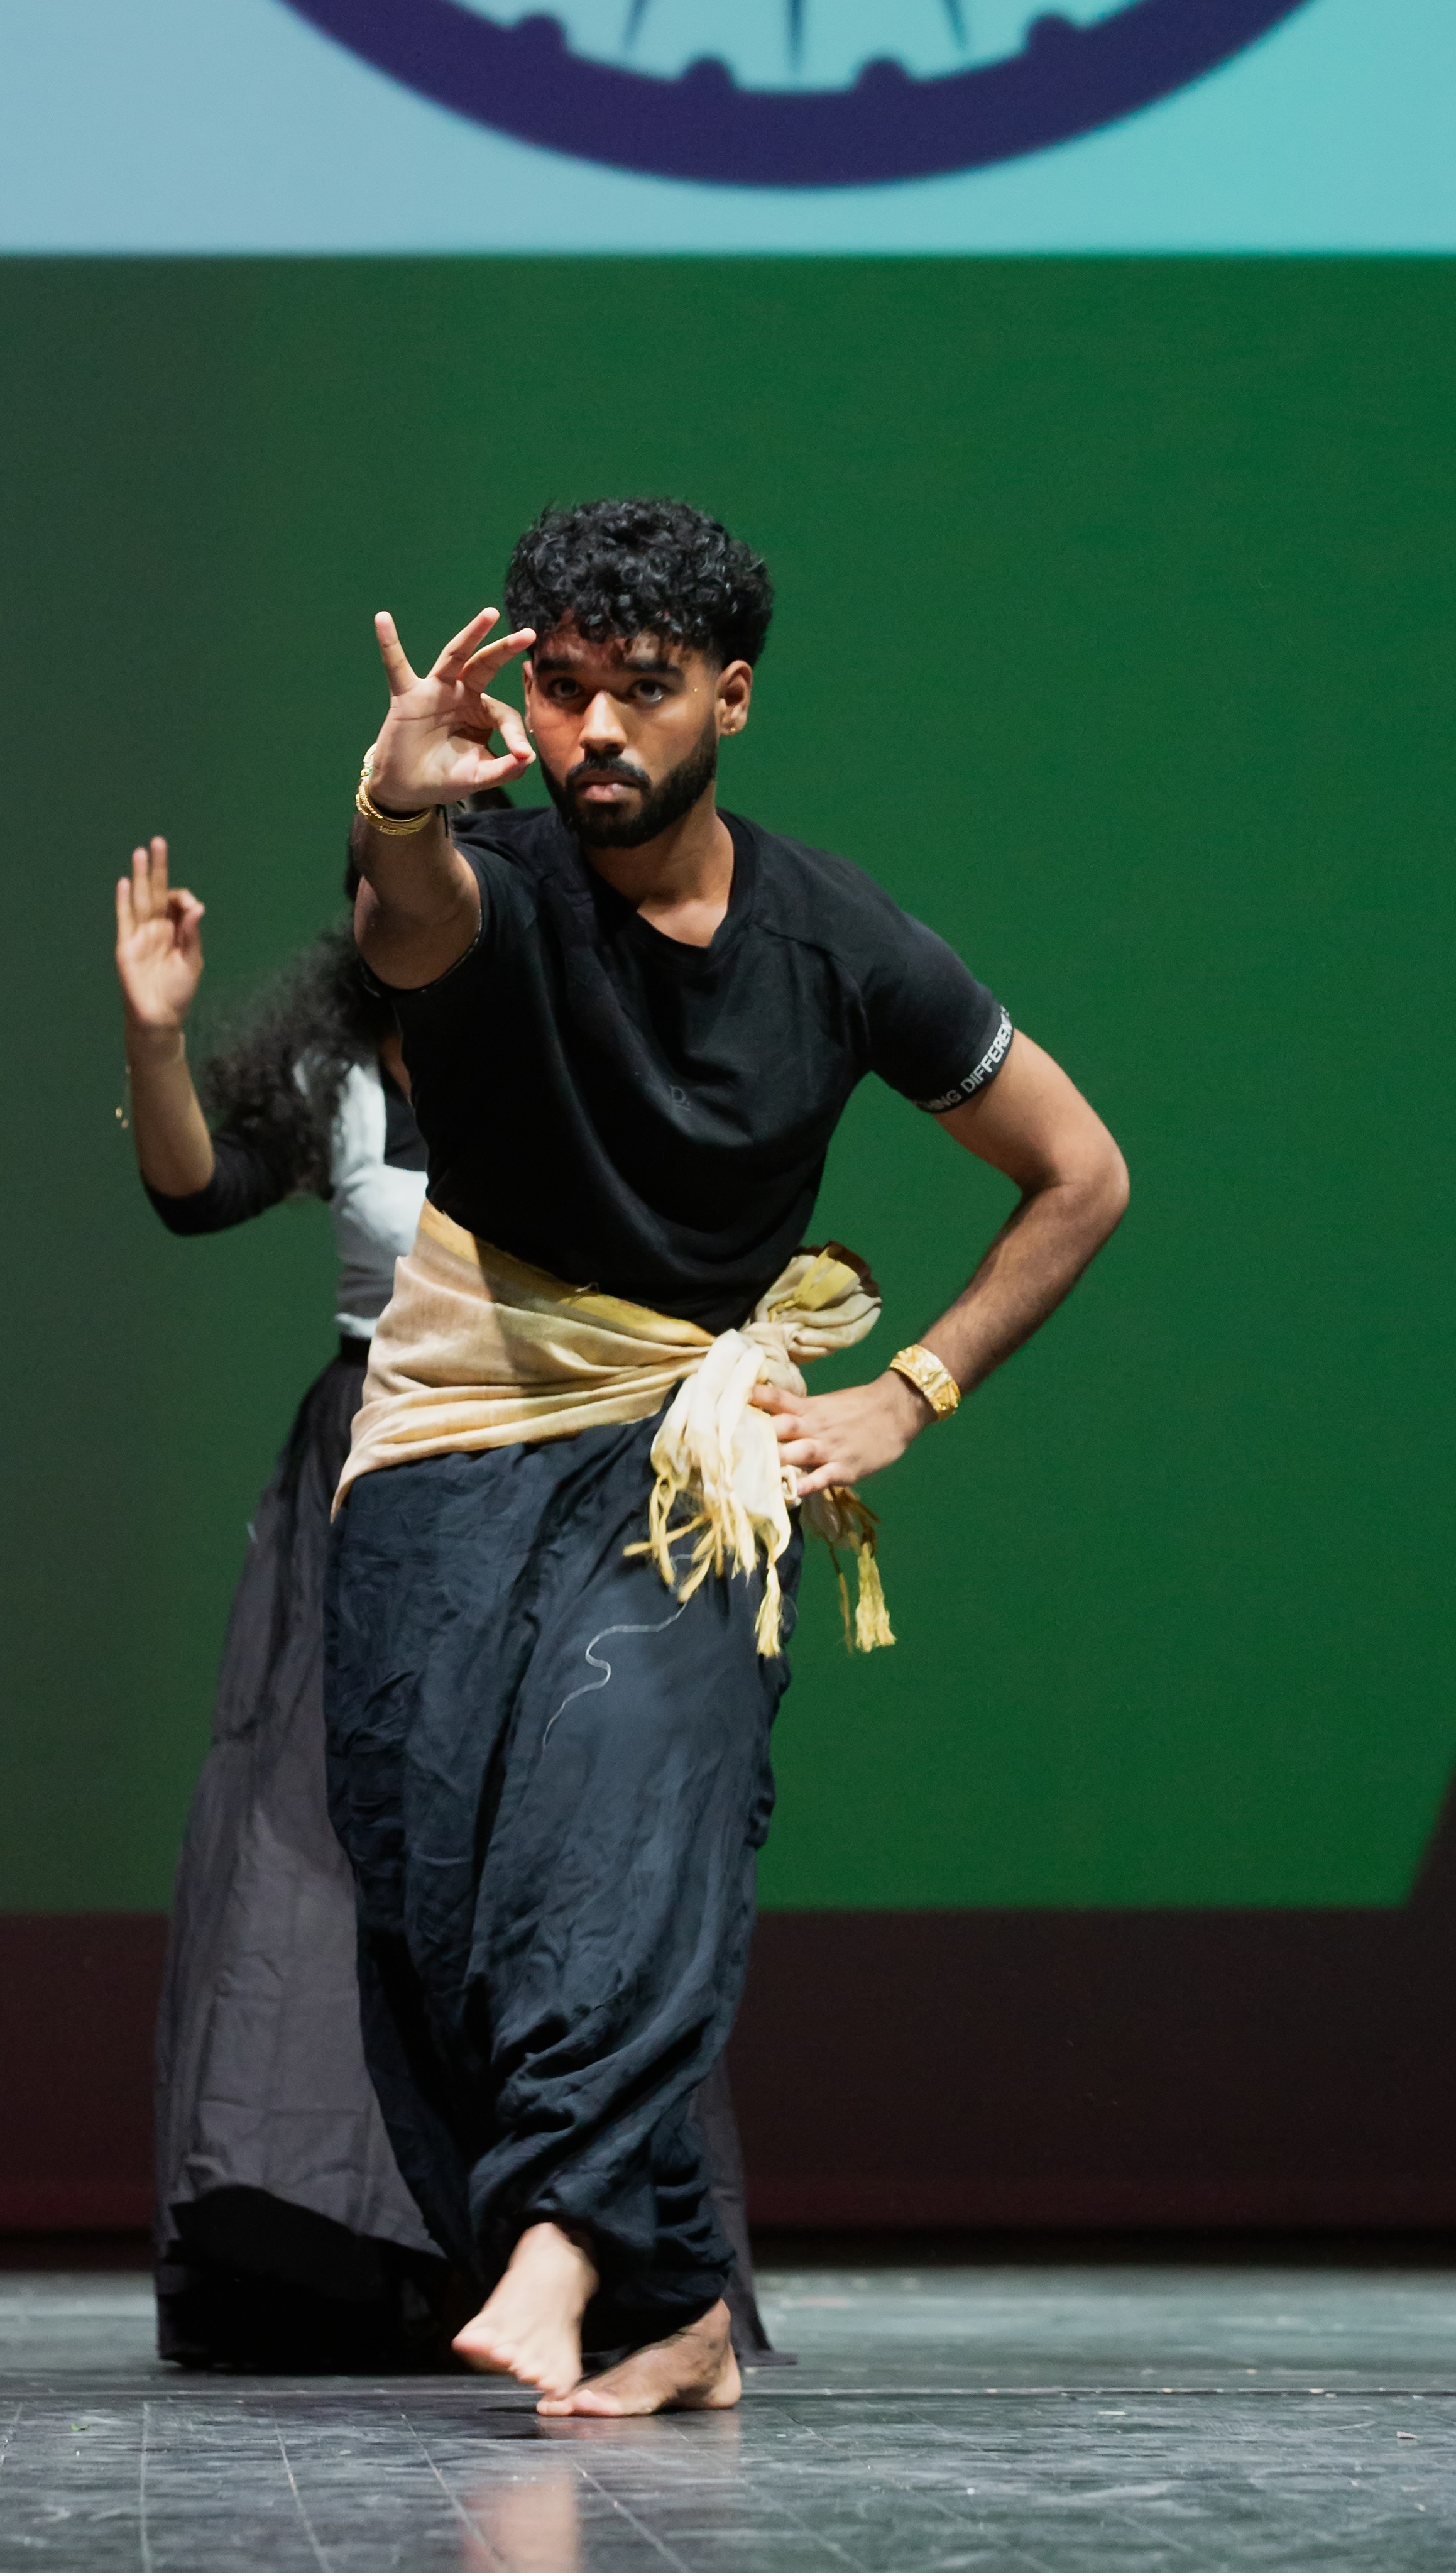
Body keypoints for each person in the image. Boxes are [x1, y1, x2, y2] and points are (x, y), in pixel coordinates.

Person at [326, 497, 1130, 2418]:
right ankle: (676, 2297)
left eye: (645, 688)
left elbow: (1077, 1171)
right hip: (459, 1403)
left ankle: (558, 2251)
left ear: (731, 698)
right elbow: (408, 928)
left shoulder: (835, 941)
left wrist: (901, 1394)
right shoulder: (489, 871)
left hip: (691, 1442)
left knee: (626, 1823)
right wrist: (392, 809)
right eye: (565, 689)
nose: (597, 729)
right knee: (427, 1879)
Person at [113, 819, 777, 2368]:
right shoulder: (344, 1075)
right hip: (378, 1475)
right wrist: (154, 1038)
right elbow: (199, 1190)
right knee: (351, 1865)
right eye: (391, 884)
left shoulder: (585, 1053)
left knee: (570, 1853)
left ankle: (602, 2253)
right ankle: (347, 2256)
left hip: (567, 1466)